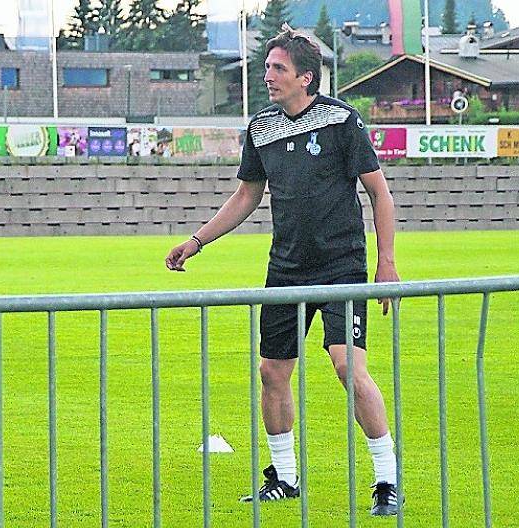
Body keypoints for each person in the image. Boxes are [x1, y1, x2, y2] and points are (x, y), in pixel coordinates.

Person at [165, 25, 401, 516]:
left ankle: (386, 480)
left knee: (345, 364)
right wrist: (196, 241)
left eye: (278, 68)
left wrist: (386, 264)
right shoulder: (261, 127)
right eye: (268, 67)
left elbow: (380, 193)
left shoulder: (341, 121)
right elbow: (247, 196)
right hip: (286, 270)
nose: (268, 76)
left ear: (306, 78)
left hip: (342, 268)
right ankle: (285, 479)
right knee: (272, 372)